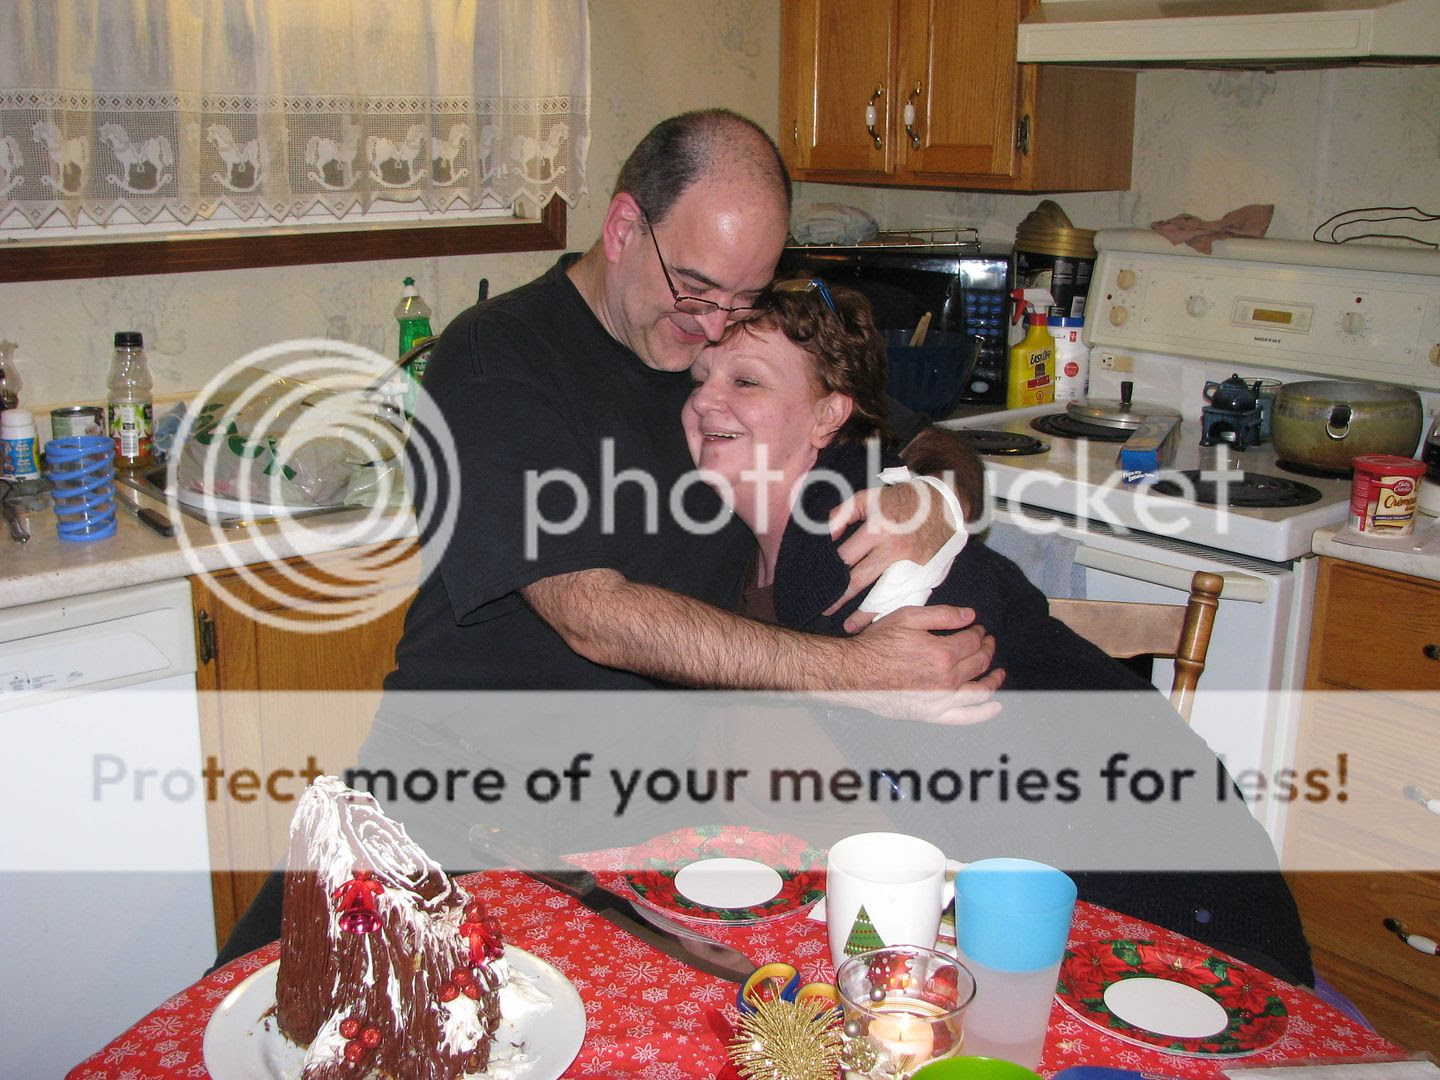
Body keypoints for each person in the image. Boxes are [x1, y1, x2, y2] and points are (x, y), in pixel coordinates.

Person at [210, 109, 999, 968]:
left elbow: (926, 437)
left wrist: (938, 496)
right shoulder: (496, 358)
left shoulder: (724, 353)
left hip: (636, 834)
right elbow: (591, 614)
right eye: (696, 289)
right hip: (450, 810)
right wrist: (860, 673)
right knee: (252, 1005)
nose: (714, 326)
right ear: (624, 228)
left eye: (743, 299)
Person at [680, 277, 1314, 985]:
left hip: (1174, 926)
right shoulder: (756, 544)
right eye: (700, 378)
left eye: (746, 381)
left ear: (829, 413)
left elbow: (1013, 821)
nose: (706, 399)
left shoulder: (871, 559)